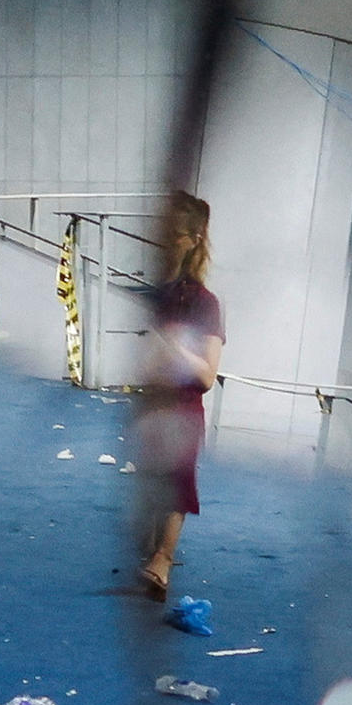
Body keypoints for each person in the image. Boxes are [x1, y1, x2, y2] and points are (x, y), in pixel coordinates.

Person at [130, 193, 225, 598]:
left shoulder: (206, 304)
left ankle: (163, 560)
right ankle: (155, 552)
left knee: (176, 483)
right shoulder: (159, 296)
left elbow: (206, 377)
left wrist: (175, 347)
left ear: (192, 239)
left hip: (185, 407)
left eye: (172, 237)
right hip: (153, 403)